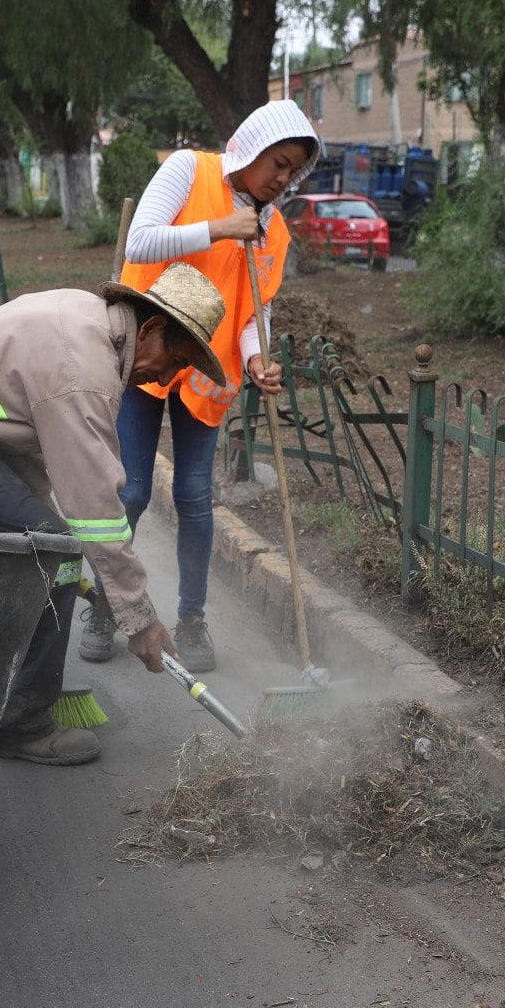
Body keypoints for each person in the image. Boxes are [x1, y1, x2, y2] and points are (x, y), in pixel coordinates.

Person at [0, 264, 228, 765]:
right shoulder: (84, 371)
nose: (168, 377)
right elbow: (96, 509)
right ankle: (22, 725)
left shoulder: (84, 317)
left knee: (22, 550)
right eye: (175, 358)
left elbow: (33, 463)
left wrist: (54, 531)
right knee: (54, 558)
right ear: (149, 329)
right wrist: (138, 617)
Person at [78, 100, 321, 674]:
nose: (282, 179)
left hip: (209, 367)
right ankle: (110, 608)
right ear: (251, 146)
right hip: (150, 349)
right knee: (132, 490)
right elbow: (140, 242)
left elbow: (253, 312)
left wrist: (259, 358)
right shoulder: (190, 169)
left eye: (293, 172)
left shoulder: (273, 231)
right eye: (277, 164)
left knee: (193, 495)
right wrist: (220, 227)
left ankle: (191, 618)